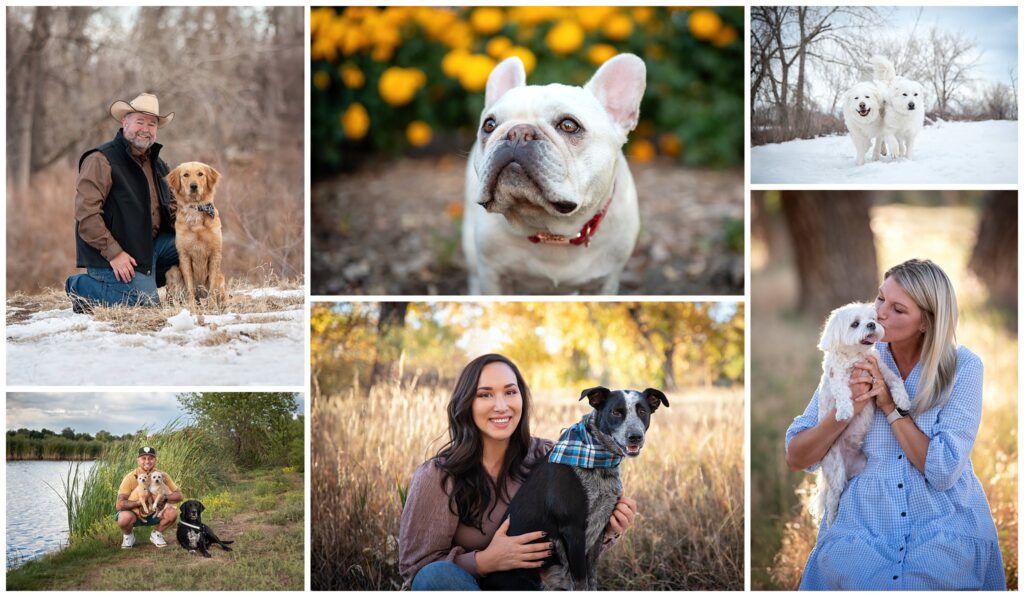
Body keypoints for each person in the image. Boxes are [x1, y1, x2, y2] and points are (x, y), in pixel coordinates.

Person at [785, 259, 1005, 590]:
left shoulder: (964, 368)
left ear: (926, 323)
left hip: (940, 520)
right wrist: (849, 407)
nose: (881, 314)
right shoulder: (854, 354)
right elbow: (798, 457)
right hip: (863, 523)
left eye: (898, 309)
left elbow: (944, 470)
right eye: (880, 298)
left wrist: (890, 406)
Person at [398, 353, 638, 590]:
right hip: (467, 587)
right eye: (485, 394)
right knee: (435, 576)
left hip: (538, 586)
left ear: (522, 398)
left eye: (510, 392)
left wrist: (606, 528)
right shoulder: (439, 477)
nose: (501, 406)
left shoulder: (555, 456)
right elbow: (417, 570)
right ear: (466, 403)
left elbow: (568, 543)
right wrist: (485, 561)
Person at [65, 92, 178, 312]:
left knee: (197, 245)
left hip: (149, 249)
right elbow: (86, 216)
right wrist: (115, 253)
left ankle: (157, 286)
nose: (146, 129)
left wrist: (198, 219)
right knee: (144, 307)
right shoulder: (100, 160)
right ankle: (80, 288)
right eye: (140, 121)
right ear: (124, 122)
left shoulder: (159, 164)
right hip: (113, 256)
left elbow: (173, 207)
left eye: (152, 124)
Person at [115, 446, 182, 549]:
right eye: (143, 458)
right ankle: (128, 536)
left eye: (150, 458)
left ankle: (157, 534)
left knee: (172, 513)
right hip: (135, 514)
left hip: (156, 512)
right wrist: (139, 502)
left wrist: (163, 498)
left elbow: (179, 496)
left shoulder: (161, 475)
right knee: (124, 518)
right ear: (138, 460)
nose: (147, 461)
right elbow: (119, 505)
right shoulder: (130, 477)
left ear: (155, 460)